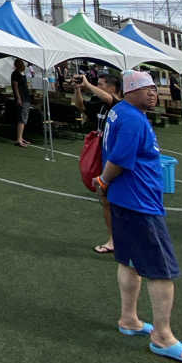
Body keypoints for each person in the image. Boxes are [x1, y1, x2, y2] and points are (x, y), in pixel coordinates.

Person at [95, 69, 182, 363]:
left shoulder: (121, 112)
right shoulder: (131, 118)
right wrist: (103, 181)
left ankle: (129, 319)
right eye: (147, 88)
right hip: (139, 204)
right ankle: (163, 337)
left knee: (129, 262)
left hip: (125, 201)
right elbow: (119, 159)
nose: (153, 93)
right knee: (161, 270)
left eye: (155, 88)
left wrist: (105, 185)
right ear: (130, 91)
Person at [72, 71, 122, 254]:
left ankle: (123, 239)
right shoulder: (99, 104)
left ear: (112, 88)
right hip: (101, 156)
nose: (97, 87)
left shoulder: (120, 105)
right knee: (106, 200)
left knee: (118, 200)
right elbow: (81, 106)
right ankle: (113, 240)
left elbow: (112, 101)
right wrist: (78, 90)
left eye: (101, 84)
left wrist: (87, 85)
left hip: (116, 159)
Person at [11, 58, 31, 147]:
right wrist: (18, 98)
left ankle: (21, 137)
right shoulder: (15, 74)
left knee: (24, 118)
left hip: (26, 98)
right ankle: (19, 139)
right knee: (22, 119)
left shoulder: (21, 73)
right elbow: (15, 87)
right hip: (22, 98)